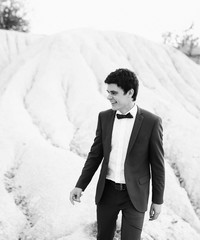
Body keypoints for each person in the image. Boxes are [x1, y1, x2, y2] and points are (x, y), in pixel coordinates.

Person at [69, 68, 165, 240]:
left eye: (114, 92)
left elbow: (158, 165)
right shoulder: (104, 117)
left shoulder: (152, 122)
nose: (109, 97)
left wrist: (158, 201)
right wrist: (80, 185)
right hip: (107, 192)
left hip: (135, 195)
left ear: (130, 93)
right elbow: (95, 156)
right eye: (108, 92)